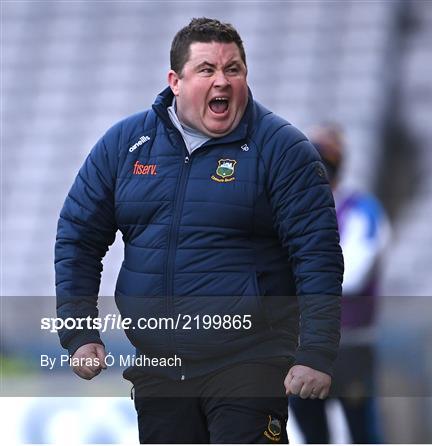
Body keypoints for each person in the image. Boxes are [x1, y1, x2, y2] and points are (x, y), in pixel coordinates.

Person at [55, 18, 343, 444]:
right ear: (176, 80)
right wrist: (79, 332)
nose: (222, 81)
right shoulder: (124, 145)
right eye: (207, 69)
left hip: (251, 361)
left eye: (234, 69)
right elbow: (78, 237)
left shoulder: (283, 149)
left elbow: (317, 253)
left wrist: (316, 352)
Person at [289, 124, 390, 443]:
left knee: (361, 431)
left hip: (350, 344)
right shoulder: (292, 212)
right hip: (304, 346)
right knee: (312, 432)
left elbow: (353, 275)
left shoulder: (362, 211)